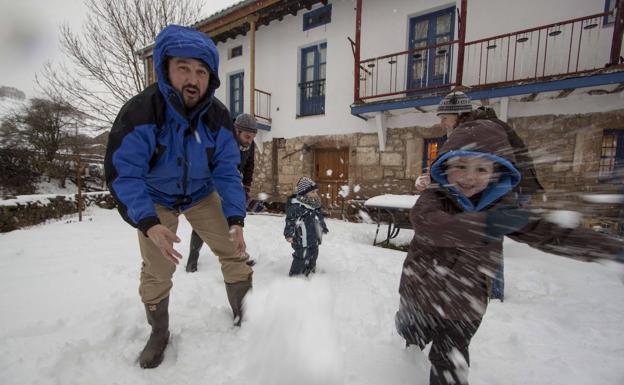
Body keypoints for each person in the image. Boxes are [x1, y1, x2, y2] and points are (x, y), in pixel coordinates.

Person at [396, 120, 623, 385]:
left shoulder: (501, 208)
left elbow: (549, 232)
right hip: (421, 295)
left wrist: (610, 249)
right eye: (460, 166)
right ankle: (405, 357)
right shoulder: (433, 199)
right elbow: (433, 227)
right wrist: (486, 226)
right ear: (444, 167)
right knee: (412, 336)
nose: (470, 177)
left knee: (450, 360)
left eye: (481, 168)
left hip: (466, 302)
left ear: (496, 173)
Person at [104, 24, 253, 369]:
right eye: (183, 67)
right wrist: (148, 223)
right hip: (156, 198)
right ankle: (159, 332)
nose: (192, 78)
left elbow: (227, 172)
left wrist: (235, 219)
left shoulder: (217, 117)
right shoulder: (141, 112)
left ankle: (245, 313)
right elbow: (124, 173)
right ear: (166, 68)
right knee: (157, 269)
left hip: (201, 194)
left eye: (201, 71)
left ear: (210, 78)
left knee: (235, 251)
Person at [415, 90, 544, 300]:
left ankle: (490, 291)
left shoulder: (477, 129)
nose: (443, 123)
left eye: (445, 118)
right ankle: (477, 285)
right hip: (511, 187)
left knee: (486, 236)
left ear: (458, 115)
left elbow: (477, 169)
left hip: (510, 188)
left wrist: (435, 182)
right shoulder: (481, 125)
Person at [186, 113, 258, 273]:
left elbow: (249, 166)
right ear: (236, 130)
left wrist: (246, 187)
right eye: (247, 136)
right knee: (203, 221)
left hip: (232, 185)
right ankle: (193, 256)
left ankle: (239, 256)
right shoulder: (221, 138)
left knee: (235, 220)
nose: (250, 141)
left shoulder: (249, 145)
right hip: (211, 184)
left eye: (252, 137)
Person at [284, 177, 329, 276]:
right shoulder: (297, 207)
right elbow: (290, 220)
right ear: (304, 193)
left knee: (314, 254)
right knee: (301, 256)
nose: (316, 194)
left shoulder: (314, 205)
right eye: (313, 192)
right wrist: (289, 234)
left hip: (313, 237)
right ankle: (295, 274)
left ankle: (310, 270)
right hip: (301, 238)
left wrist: (323, 226)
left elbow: (319, 217)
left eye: (316, 192)